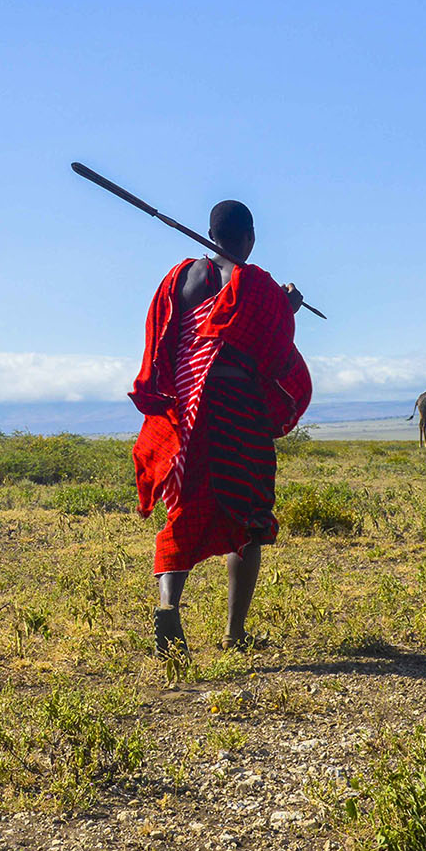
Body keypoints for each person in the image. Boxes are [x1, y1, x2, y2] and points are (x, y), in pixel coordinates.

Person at [127, 200, 312, 666]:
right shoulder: (258, 285)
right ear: (249, 237)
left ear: (210, 233)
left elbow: (165, 338)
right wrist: (286, 308)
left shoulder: (181, 277)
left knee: (184, 511)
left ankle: (168, 606)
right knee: (250, 516)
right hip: (237, 414)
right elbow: (273, 348)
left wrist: (275, 307)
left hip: (187, 415)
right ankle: (235, 633)